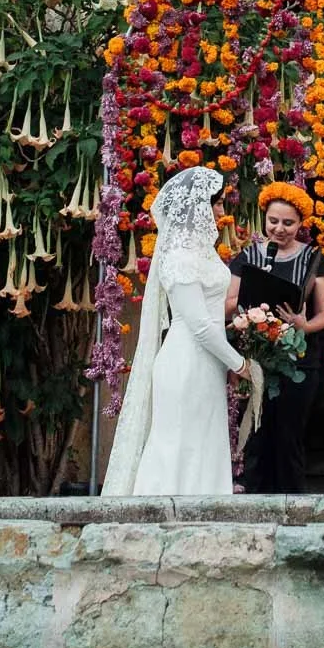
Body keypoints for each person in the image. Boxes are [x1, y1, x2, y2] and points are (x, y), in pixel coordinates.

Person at [102, 167, 250, 496]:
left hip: (207, 362)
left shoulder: (203, 252)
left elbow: (210, 315)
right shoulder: (180, 258)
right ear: (199, 205)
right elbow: (197, 323)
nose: (222, 212)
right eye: (218, 203)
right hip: (186, 361)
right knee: (180, 443)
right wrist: (239, 363)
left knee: (203, 443)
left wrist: (242, 328)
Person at [225, 182, 324, 494]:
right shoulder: (247, 256)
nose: (280, 229)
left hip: (298, 362)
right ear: (264, 219)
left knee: (289, 439)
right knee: (256, 438)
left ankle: (292, 508)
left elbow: (323, 315)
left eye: (288, 223)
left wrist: (301, 324)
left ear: (300, 224)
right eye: (274, 221)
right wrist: (252, 305)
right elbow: (228, 305)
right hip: (256, 361)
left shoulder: (314, 259)